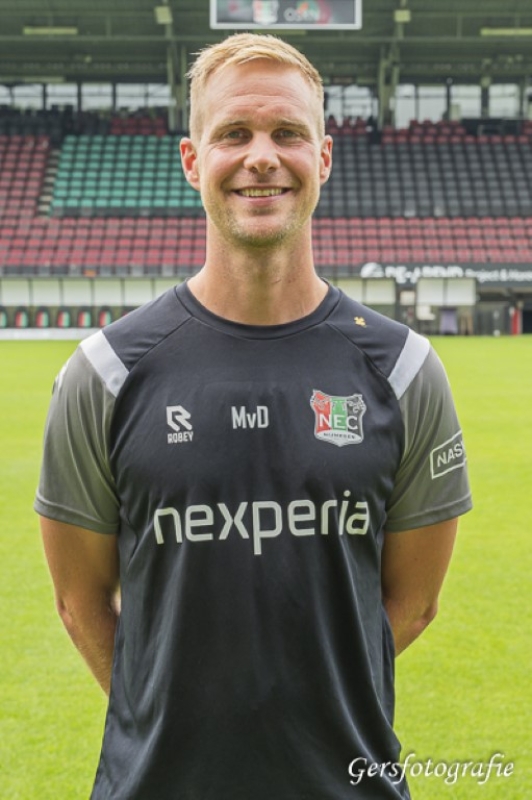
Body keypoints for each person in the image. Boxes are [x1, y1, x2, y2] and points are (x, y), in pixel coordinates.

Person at [36, 33, 472, 800]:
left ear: (324, 158)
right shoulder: (103, 374)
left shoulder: (405, 371)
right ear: (192, 160)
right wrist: (173, 714)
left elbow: (413, 603)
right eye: (234, 133)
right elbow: (79, 604)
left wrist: (305, 708)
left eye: (288, 134)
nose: (262, 157)